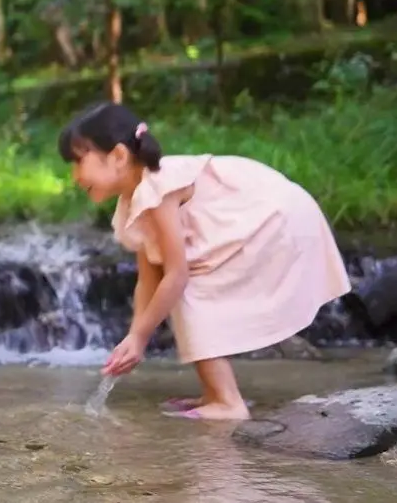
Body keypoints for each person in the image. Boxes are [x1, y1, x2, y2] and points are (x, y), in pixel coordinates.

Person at [58, 101, 351, 421]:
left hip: (276, 220)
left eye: (78, 162)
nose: (74, 176)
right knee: (180, 285)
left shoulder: (159, 187)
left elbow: (176, 274)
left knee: (186, 287)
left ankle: (227, 403)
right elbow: (149, 277)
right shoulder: (136, 200)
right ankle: (215, 393)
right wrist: (134, 335)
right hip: (261, 223)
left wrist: (141, 336)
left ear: (117, 156)